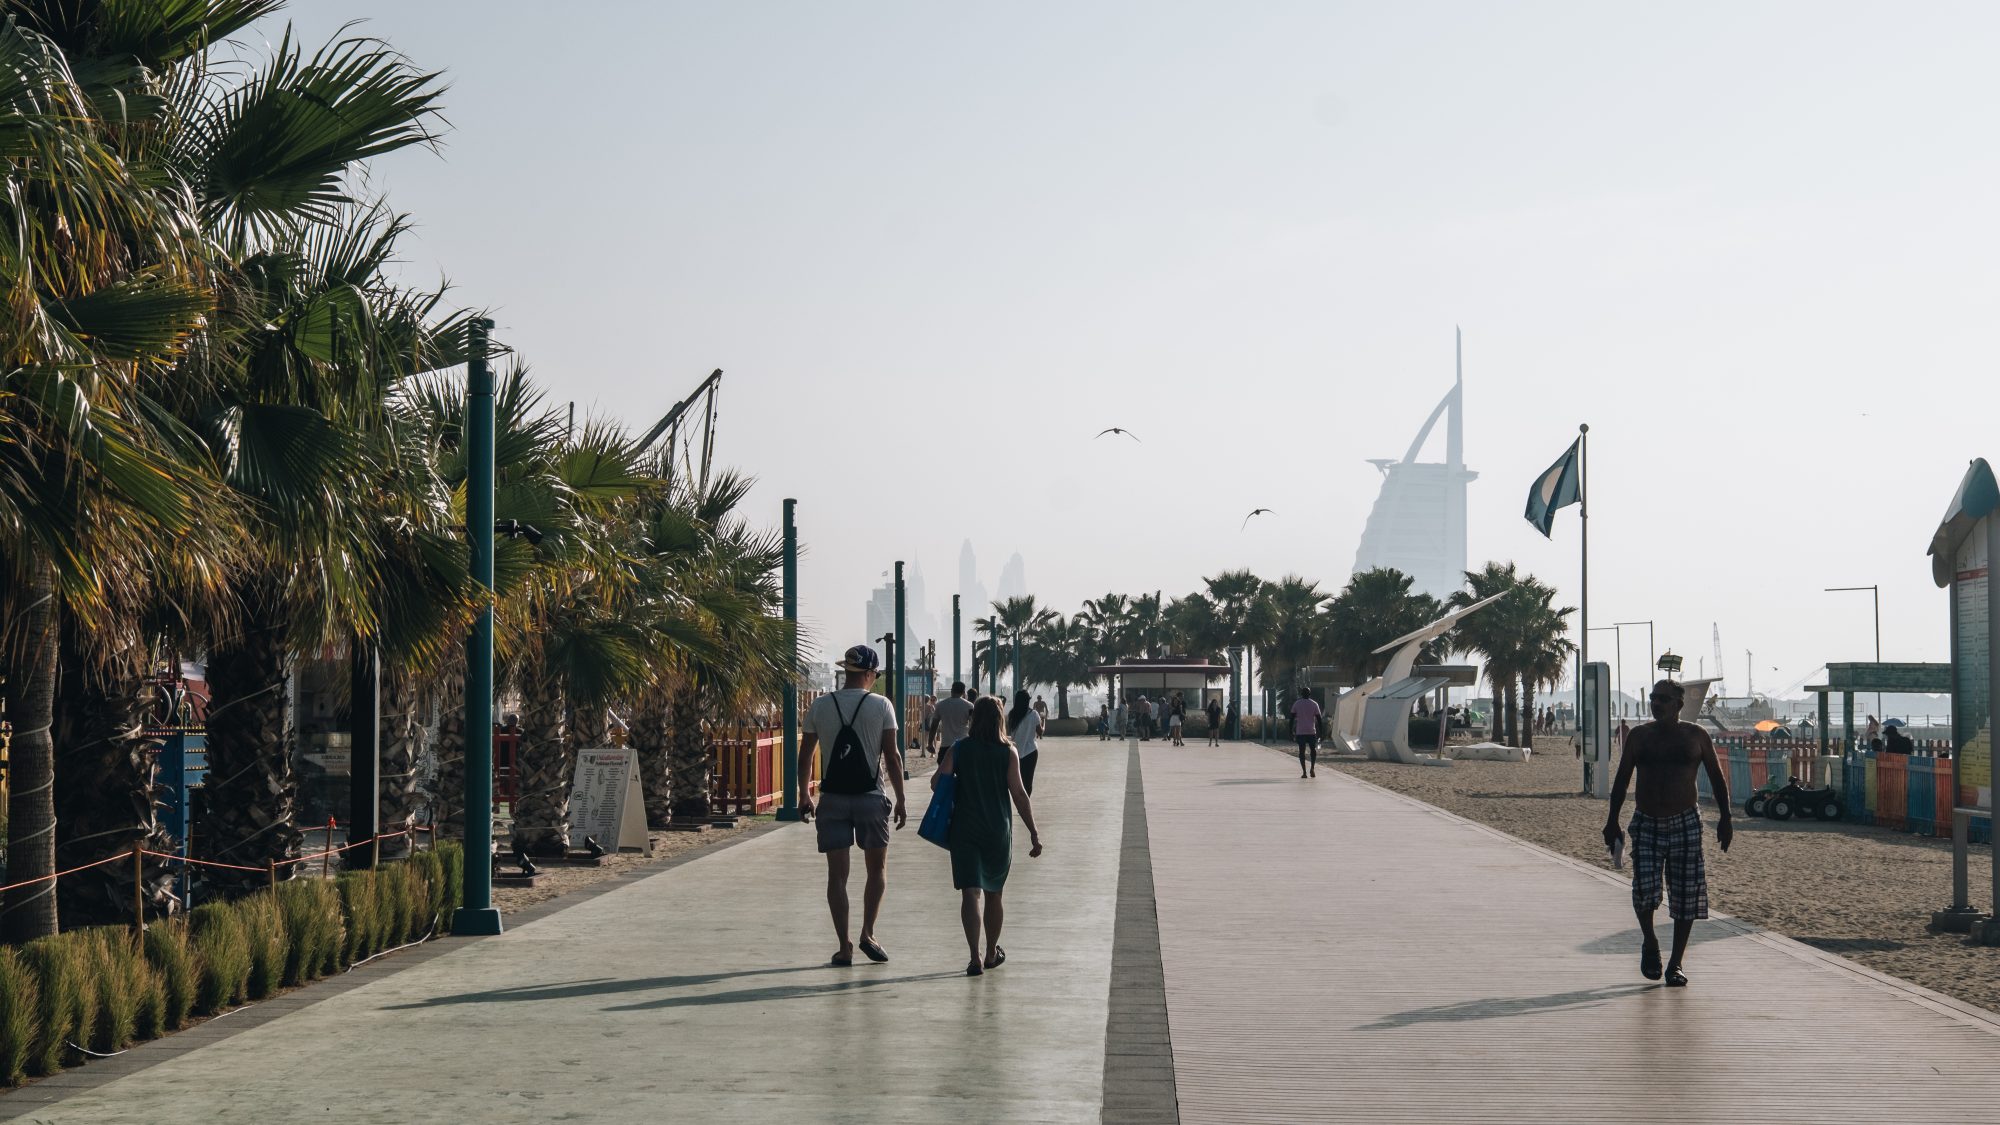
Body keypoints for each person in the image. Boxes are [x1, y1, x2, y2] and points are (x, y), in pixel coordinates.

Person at [1603, 679, 1731, 988]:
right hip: (1646, 820)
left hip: (1685, 821)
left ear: (1678, 704)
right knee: (1644, 891)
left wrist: (1726, 818)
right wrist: (1612, 820)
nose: (1656, 703)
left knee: (1686, 895)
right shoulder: (1639, 736)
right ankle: (1650, 942)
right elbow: (1621, 780)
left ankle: (1676, 963)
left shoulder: (1696, 736)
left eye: (1663, 699)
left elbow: (1716, 777)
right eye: (1653, 698)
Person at [798, 644, 909, 967]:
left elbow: (806, 754)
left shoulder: (820, 705)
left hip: (832, 799)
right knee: (877, 870)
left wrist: (805, 794)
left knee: (837, 876)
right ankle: (868, 934)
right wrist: (901, 798)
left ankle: (844, 947)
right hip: (870, 798)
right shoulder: (881, 705)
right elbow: (892, 755)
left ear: (846, 672)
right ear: (871, 674)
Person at [935, 696, 1043, 976]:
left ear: (973, 720)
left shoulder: (959, 749)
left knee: (971, 893)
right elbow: (1019, 794)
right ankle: (992, 952)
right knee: (995, 894)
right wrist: (1033, 832)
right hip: (997, 830)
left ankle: (974, 957)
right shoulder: (1008, 752)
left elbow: (937, 783)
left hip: (964, 829)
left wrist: (960, 779)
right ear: (999, 720)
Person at [1008, 689, 1045, 793]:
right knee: (1027, 782)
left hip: (1014, 751)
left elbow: (1010, 732)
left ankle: (1017, 803)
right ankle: (1025, 807)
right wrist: (1043, 723)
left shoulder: (1012, 714)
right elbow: (1040, 732)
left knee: (1014, 781)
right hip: (1030, 751)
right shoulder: (1033, 714)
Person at [932, 682, 974, 759]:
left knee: (944, 770)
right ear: (963, 692)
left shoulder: (940, 705)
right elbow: (973, 725)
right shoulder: (969, 706)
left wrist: (930, 743)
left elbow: (934, 725)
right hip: (963, 745)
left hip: (946, 745)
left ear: (951, 690)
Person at [1290, 687, 1324, 778]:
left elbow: (1292, 718)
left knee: (1302, 752)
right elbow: (1319, 719)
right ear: (1309, 694)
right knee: (1313, 750)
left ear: (1301, 694)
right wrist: (1321, 732)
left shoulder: (1297, 704)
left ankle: (1304, 772)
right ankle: (1312, 768)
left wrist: (1290, 731)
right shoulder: (1314, 704)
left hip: (1300, 732)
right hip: (1311, 731)